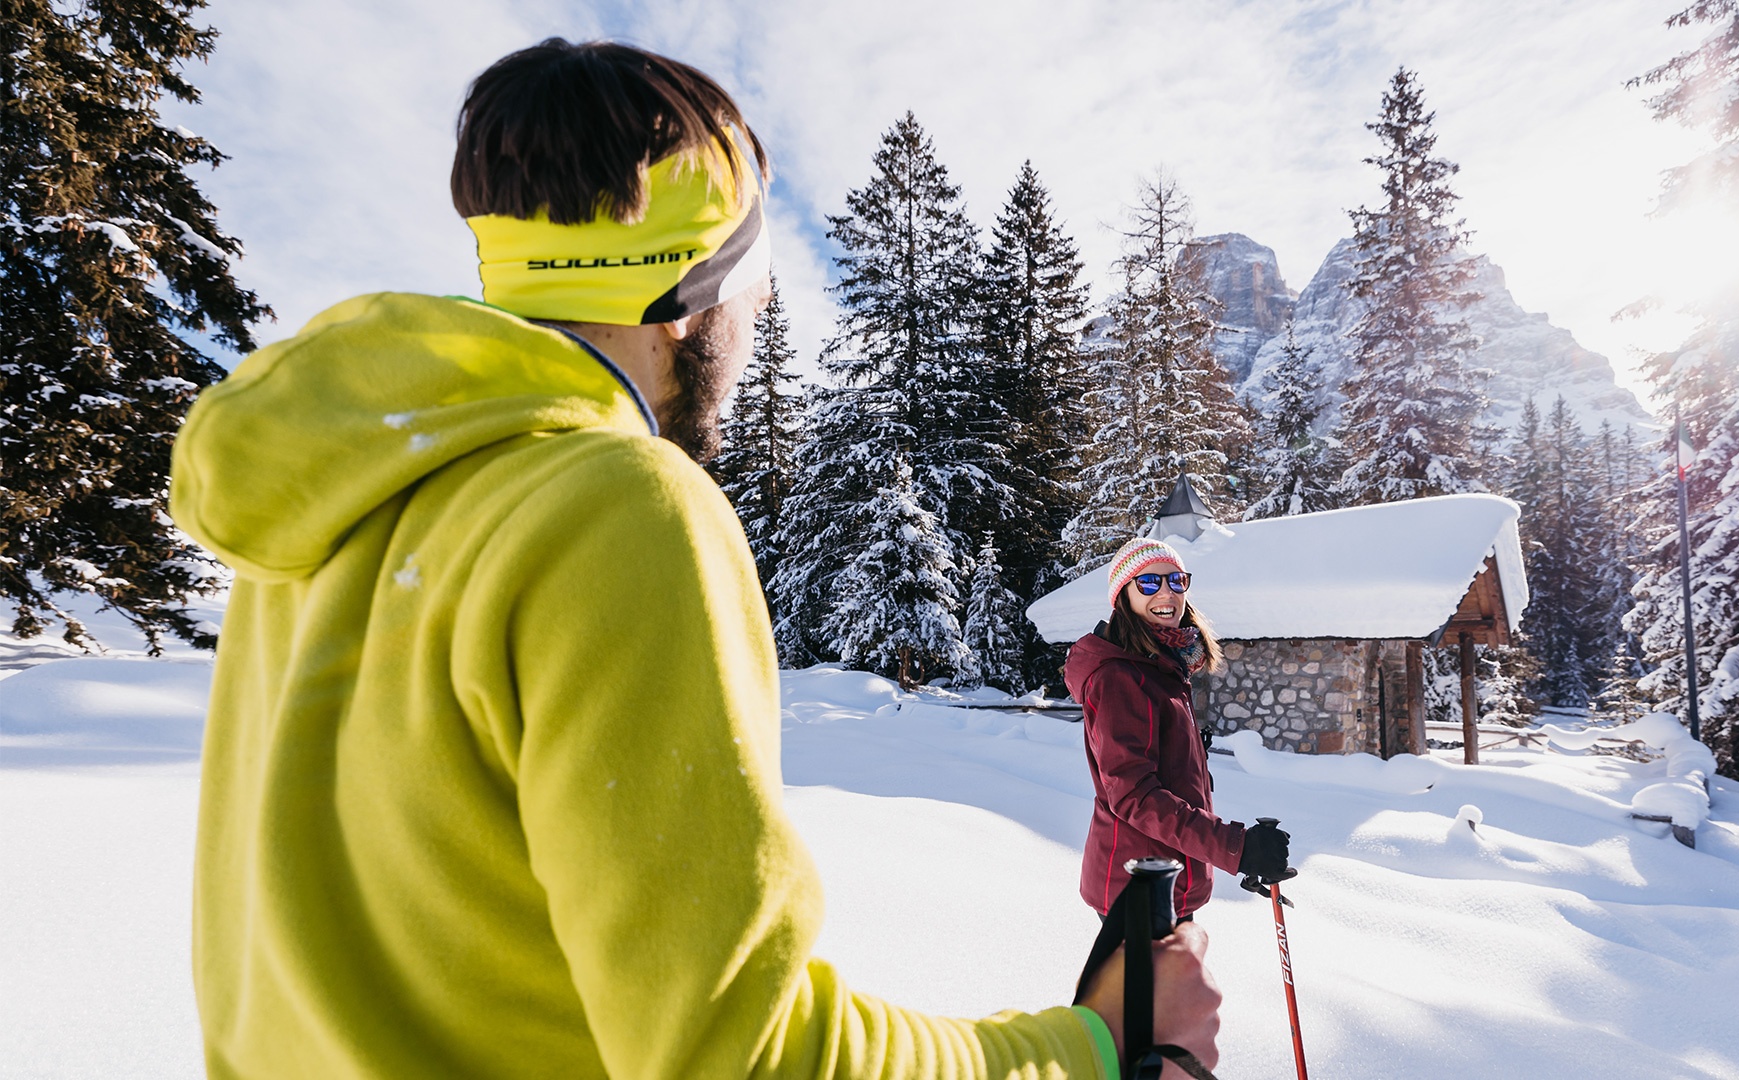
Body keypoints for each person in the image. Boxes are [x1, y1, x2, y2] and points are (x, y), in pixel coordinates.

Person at [169, 39, 1219, 1080]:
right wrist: (1091, 1051)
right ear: (691, 291)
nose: (759, 316)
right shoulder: (616, 508)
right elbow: (743, 1059)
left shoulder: (319, 524)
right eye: (759, 282)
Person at [1066, 538, 1292, 921]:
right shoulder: (1121, 677)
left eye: (1176, 580)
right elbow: (1134, 795)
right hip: (1136, 890)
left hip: (1167, 882)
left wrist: (1234, 851)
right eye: (1149, 583)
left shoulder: (1163, 667)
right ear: (1123, 597)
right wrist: (1235, 847)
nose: (1166, 592)